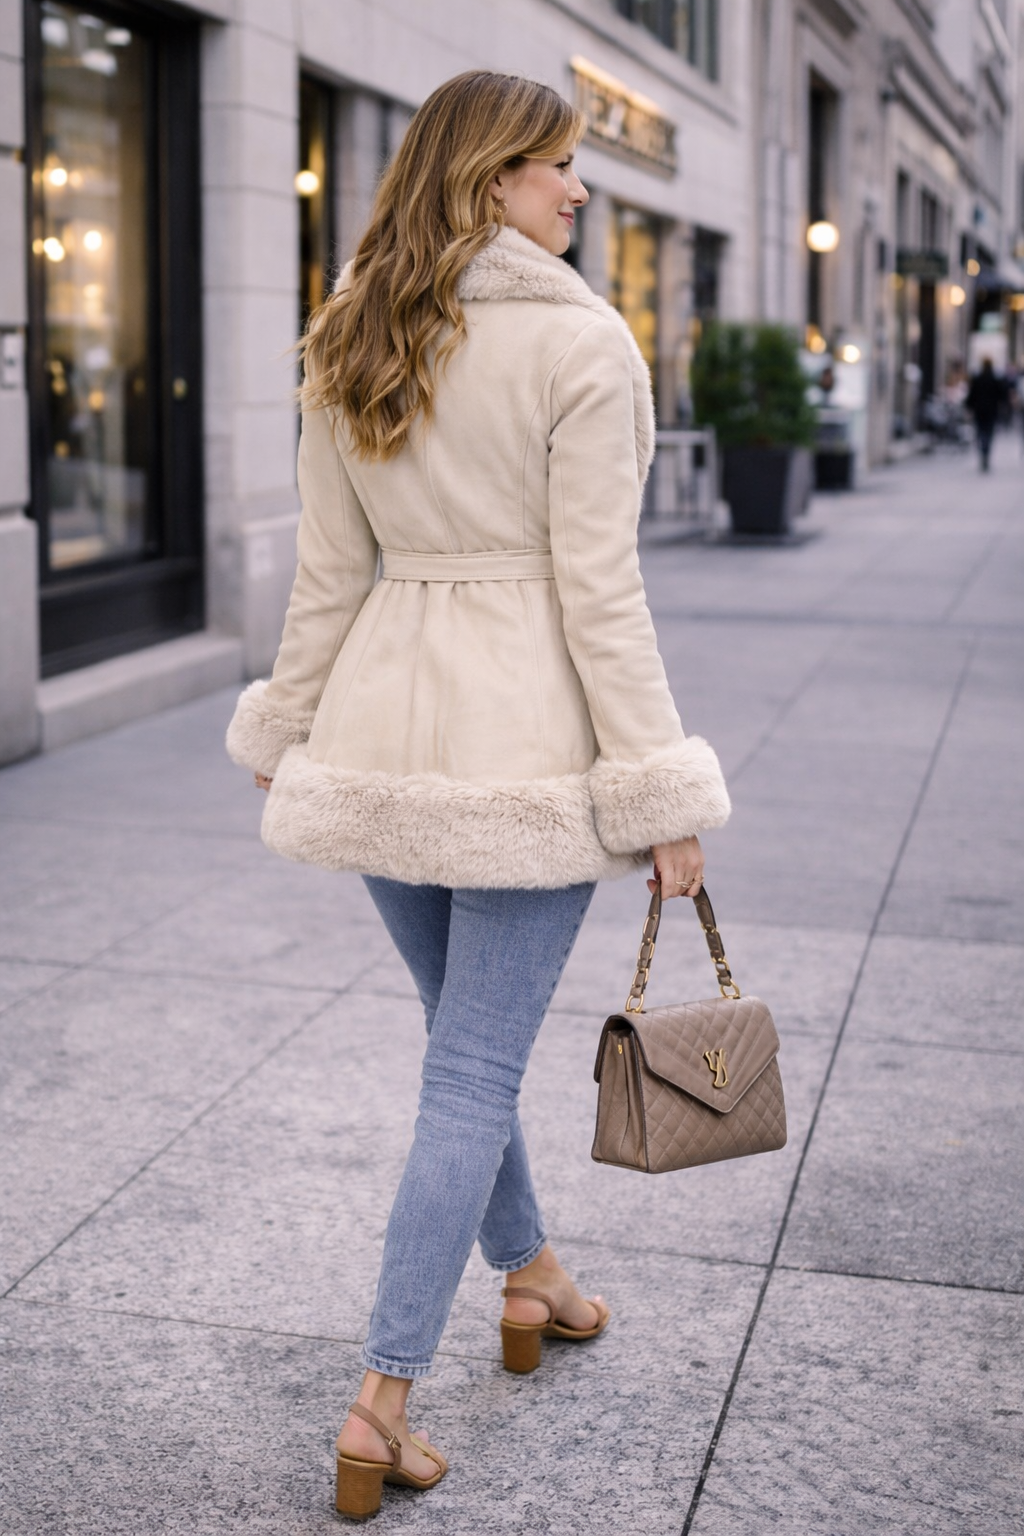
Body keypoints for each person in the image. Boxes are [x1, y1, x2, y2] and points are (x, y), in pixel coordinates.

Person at [226, 70, 730, 1521]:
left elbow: (332, 577)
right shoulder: (582, 347)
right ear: (486, 176)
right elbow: (602, 594)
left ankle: (536, 1280)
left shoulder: (355, 330)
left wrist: (290, 722)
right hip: (519, 758)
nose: (579, 191)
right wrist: (658, 793)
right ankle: (382, 1401)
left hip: (385, 747)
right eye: (555, 167)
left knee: (466, 1050)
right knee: (469, 1070)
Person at [965, 357, 1007, 471]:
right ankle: (986, 452)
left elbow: (972, 395)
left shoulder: (978, 378)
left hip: (979, 410)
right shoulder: (995, 379)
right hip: (991, 411)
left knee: (980, 432)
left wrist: (968, 407)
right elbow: (1002, 395)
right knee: (989, 432)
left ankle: (983, 451)